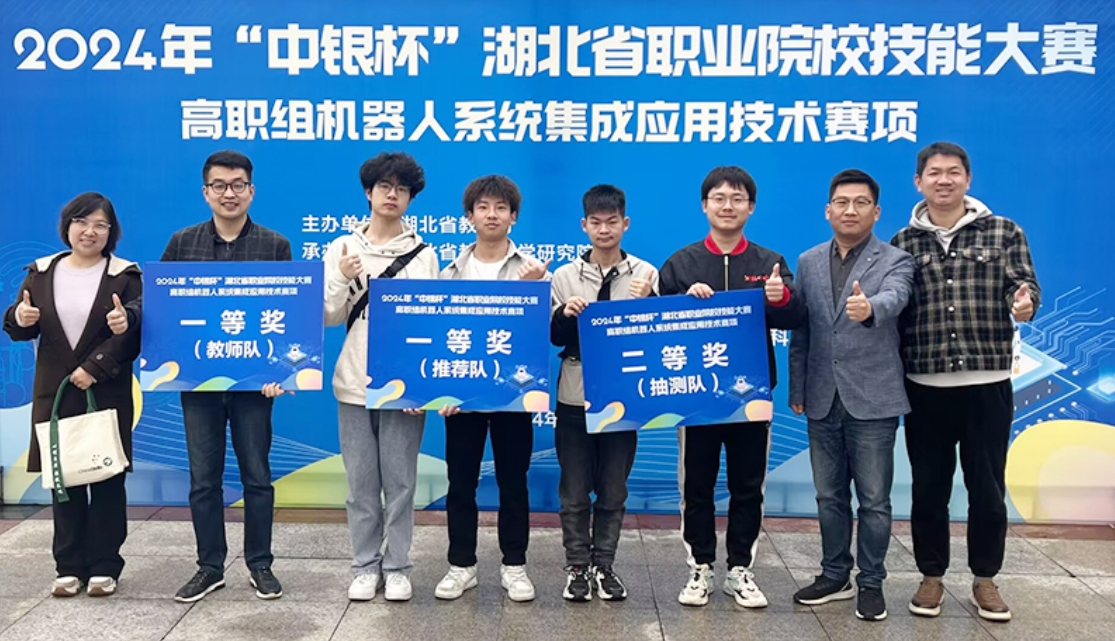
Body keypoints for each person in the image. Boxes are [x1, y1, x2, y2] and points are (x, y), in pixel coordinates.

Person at [892, 142, 1040, 622]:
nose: (944, 180)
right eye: (934, 173)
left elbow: (1024, 287)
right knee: (928, 488)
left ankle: (985, 579)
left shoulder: (1004, 231)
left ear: (967, 179)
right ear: (919, 182)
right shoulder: (902, 242)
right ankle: (931, 576)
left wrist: (1024, 304)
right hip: (924, 383)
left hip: (986, 383)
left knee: (987, 487)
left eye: (953, 172)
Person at [660, 165, 806, 608]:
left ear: (751, 207)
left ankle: (740, 569)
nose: (728, 206)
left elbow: (794, 317)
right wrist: (684, 304)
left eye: (737, 199)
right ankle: (700, 568)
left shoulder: (769, 263)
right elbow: (659, 326)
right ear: (705, 206)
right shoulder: (681, 263)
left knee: (748, 486)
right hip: (696, 396)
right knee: (696, 487)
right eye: (719, 198)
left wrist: (781, 298)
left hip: (751, 396)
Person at [163, 150, 293, 603]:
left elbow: (288, 316)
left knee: (257, 475)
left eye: (238, 185)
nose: (229, 193)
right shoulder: (182, 244)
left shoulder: (274, 246)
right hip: (198, 384)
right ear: (206, 192)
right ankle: (209, 567)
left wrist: (282, 373)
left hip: (256, 386)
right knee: (204, 479)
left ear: (251, 191)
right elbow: (164, 308)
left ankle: (260, 564)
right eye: (219, 185)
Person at [788, 169, 914, 621]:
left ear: (876, 212)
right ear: (828, 210)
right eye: (842, 202)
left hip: (873, 397)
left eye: (861, 203)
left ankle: (871, 582)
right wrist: (798, 387)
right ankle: (834, 574)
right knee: (829, 496)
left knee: (874, 500)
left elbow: (896, 297)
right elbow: (802, 331)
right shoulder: (808, 261)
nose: (850, 210)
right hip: (821, 396)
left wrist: (870, 307)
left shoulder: (896, 259)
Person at [4, 192, 142, 598]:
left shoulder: (125, 275)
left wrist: (95, 366)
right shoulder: (41, 272)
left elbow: (135, 333)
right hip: (56, 392)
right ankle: (68, 566)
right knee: (63, 481)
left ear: (111, 232)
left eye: (100, 225)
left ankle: (104, 566)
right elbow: (19, 325)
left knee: (106, 479)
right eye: (82, 222)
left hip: (106, 390)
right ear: (67, 227)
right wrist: (19, 317)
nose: (90, 231)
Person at [323, 152, 440, 602]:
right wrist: (342, 279)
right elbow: (328, 315)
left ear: (410, 198)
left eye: (402, 189)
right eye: (384, 187)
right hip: (353, 384)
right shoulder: (342, 248)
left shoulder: (424, 255)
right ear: (368, 192)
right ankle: (364, 566)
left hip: (404, 388)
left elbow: (432, 325)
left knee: (401, 483)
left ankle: (397, 567)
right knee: (360, 485)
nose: (392, 195)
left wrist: (422, 388)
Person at [434, 175, 550, 603]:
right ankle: (461, 565)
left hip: (513, 396)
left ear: (513, 216)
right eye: (483, 207)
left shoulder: (533, 269)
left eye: (501, 207)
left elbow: (547, 333)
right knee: (460, 483)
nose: (492, 215)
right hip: (462, 398)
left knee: (513, 483)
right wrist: (440, 392)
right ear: (469, 216)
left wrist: (535, 290)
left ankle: (514, 565)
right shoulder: (450, 271)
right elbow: (440, 336)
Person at [549, 184, 658, 601]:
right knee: (574, 491)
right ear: (584, 225)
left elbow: (661, 340)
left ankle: (605, 566)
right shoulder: (564, 276)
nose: (604, 229)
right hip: (575, 393)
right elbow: (551, 336)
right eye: (596, 222)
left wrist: (648, 302)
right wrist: (565, 314)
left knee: (613, 489)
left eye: (612, 222)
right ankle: (577, 566)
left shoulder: (646, 274)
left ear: (625, 224)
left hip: (624, 396)